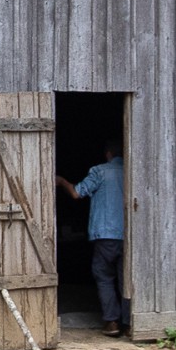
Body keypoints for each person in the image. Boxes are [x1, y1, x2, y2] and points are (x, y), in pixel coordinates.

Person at [56, 141, 128, 337]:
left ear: (108, 154)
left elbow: (76, 193)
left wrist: (62, 181)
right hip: (130, 235)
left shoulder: (100, 171)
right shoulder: (132, 170)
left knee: (104, 277)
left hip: (105, 234)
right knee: (126, 279)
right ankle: (129, 323)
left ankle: (112, 322)